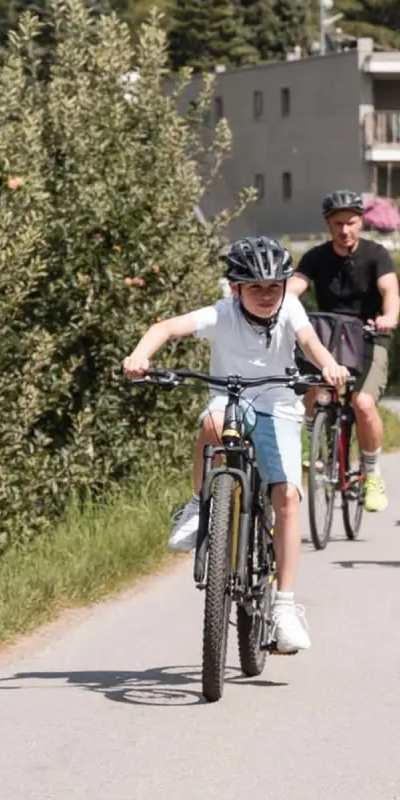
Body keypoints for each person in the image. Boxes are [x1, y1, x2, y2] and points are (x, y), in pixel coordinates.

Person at [122, 236, 348, 654]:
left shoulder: (290, 310)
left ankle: (284, 605)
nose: (266, 295)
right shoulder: (221, 314)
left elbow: (310, 343)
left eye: (274, 287)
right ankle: (198, 505)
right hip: (230, 397)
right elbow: (165, 328)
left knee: (287, 498)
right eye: (255, 287)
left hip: (279, 402)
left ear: (284, 287)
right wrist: (140, 356)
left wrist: (329, 364)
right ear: (235, 288)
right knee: (211, 422)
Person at [288, 190, 400, 514]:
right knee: (309, 384)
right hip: (328, 336)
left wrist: (389, 317)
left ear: (361, 221)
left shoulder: (376, 254)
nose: (345, 230)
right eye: (338, 224)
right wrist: (279, 301)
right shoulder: (315, 256)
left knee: (363, 403)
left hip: (369, 335)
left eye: (351, 223)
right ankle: (315, 440)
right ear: (328, 224)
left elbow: (389, 290)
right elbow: (297, 285)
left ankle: (372, 473)